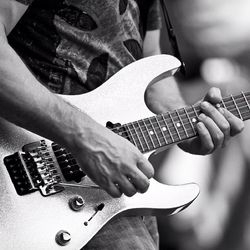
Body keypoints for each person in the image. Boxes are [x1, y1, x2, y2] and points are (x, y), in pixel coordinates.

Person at [0, 0, 244, 249]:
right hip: (33, 173)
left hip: (117, 190)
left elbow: (146, 57)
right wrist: (86, 138)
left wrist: (185, 122)